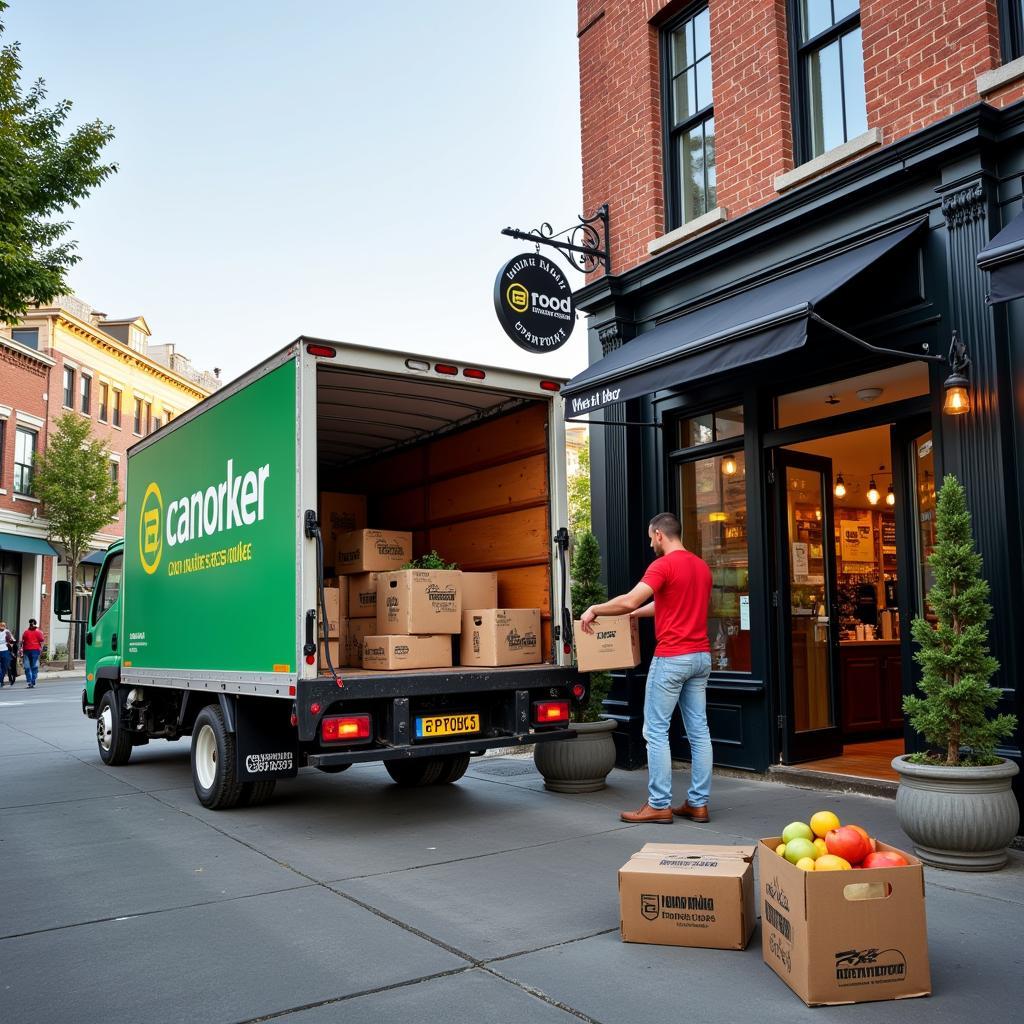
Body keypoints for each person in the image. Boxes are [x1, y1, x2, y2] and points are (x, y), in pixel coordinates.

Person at [580, 512, 713, 825]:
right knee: (699, 732)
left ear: (658, 535)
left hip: (672, 658)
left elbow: (628, 600)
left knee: (655, 730)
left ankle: (658, 804)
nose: (650, 542)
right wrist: (638, 615)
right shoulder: (701, 566)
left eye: (650, 537)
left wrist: (595, 609)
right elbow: (669, 603)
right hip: (700, 658)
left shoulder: (663, 564)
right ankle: (698, 803)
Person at [21, 618, 45, 689]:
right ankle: (32, 680)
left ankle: (30, 681)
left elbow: (22, 641)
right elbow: (42, 641)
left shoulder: (26, 632)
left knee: (28, 667)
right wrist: (41, 649)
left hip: (27, 651)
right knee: (33, 666)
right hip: (34, 650)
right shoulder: (39, 632)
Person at [0, 621, 14, 687]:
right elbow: (13, 641)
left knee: (4, 667)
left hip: (5, 650)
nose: (2, 626)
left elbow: (13, 640)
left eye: (3, 625)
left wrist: (10, 644)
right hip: (4, 651)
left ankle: (1, 681)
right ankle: (1, 680)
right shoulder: (7, 631)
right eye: (1, 625)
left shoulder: (7, 632)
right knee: (3, 667)